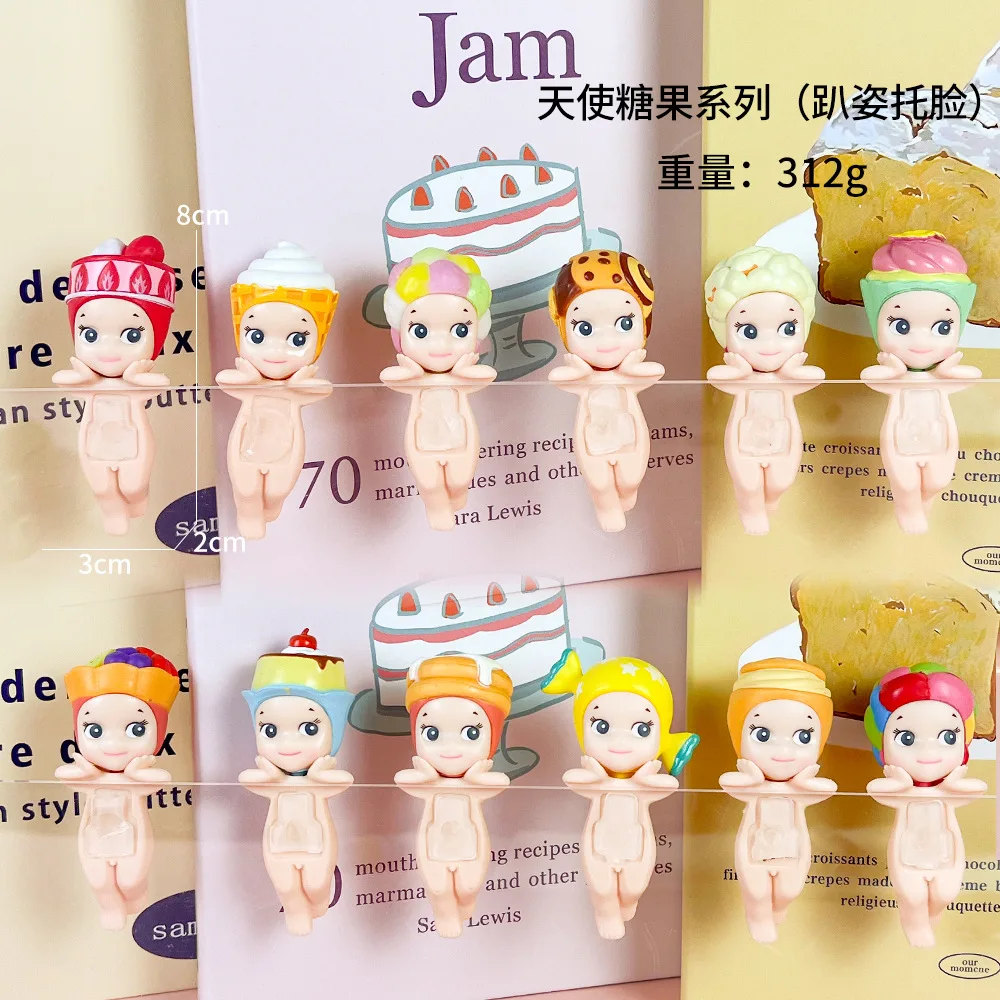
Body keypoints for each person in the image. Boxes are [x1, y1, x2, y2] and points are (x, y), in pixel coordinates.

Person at [542, 649, 697, 938]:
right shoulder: (595, 778)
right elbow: (572, 778)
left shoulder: (643, 782)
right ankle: (605, 911)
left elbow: (670, 785)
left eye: (641, 729)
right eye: (602, 727)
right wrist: (597, 779)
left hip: (637, 846)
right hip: (599, 846)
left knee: (633, 888)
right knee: (602, 887)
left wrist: (646, 780)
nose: (620, 742)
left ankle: (627, 902)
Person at [548, 251, 663, 532]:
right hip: (594, 442)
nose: (606, 341)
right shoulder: (584, 377)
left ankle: (626, 492)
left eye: (625, 324)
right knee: (600, 483)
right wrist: (579, 373)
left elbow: (655, 371)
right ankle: (605, 506)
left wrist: (632, 370)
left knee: (631, 479)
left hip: (629, 438)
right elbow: (558, 378)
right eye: (585, 328)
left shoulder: (628, 375)